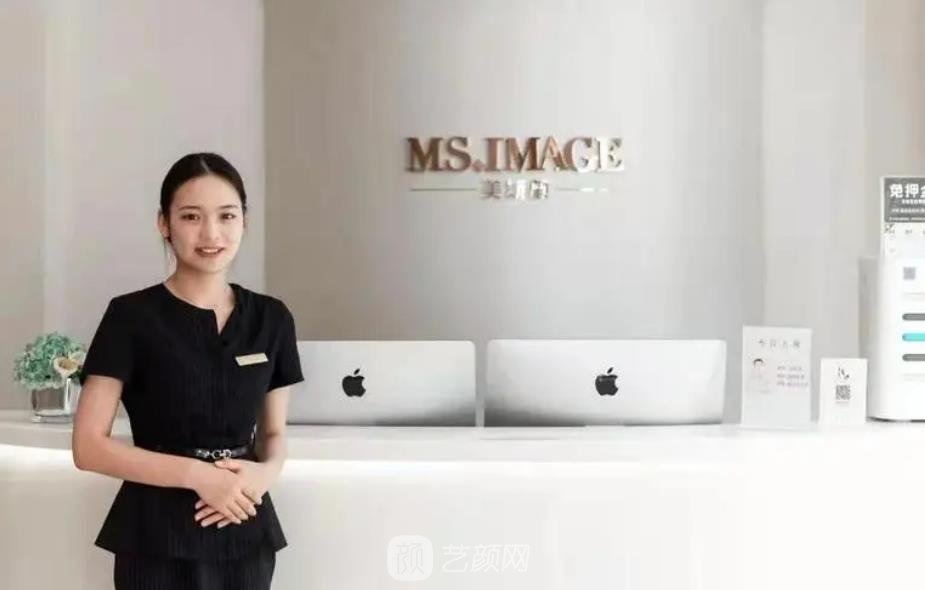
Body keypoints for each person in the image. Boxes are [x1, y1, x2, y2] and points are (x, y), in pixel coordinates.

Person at [71, 152, 305, 589]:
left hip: (242, 522)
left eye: (227, 216)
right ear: (164, 223)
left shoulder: (272, 319)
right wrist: (198, 476)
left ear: (244, 221)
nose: (211, 233)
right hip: (153, 533)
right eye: (191, 216)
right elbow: (88, 447)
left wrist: (265, 473)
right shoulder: (129, 317)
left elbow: (273, 433)